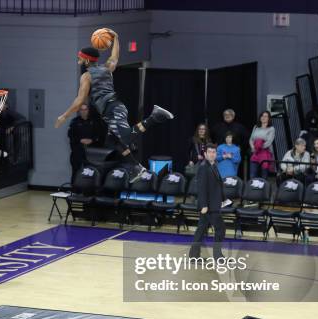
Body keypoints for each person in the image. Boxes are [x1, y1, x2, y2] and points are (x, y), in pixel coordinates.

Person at [55, 29, 173, 183]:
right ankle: (136, 167)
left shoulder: (87, 76)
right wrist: (116, 37)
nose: (78, 60)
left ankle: (155, 116)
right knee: (112, 142)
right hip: (113, 108)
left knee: (126, 137)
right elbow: (115, 56)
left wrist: (64, 115)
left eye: (80, 58)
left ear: (87, 60)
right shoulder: (107, 68)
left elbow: (80, 100)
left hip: (113, 108)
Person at [188, 144, 225, 260]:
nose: (212, 154)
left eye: (214, 152)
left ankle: (193, 254)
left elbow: (217, 185)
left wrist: (223, 200)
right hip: (208, 206)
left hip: (213, 204)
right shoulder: (204, 167)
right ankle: (217, 256)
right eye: (210, 152)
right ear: (205, 154)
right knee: (220, 229)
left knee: (201, 229)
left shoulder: (213, 165)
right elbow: (201, 187)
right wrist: (204, 205)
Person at [67, 104, 98, 183]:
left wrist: (92, 140)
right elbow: (71, 135)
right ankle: (75, 190)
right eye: (82, 110)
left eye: (85, 109)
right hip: (77, 151)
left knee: (90, 172)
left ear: (88, 111)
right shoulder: (75, 122)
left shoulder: (94, 122)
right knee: (76, 171)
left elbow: (98, 135)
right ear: (79, 111)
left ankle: (88, 191)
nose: (84, 112)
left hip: (91, 152)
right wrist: (80, 140)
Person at [249, 111, 275, 179]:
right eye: (262, 116)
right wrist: (252, 147)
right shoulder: (256, 127)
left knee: (264, 176)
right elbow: (251, 139)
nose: (263, 117)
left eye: (266, 116)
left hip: (265, 153)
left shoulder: (271, 129)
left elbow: (269, 142)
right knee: (252, 175)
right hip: (255, 153)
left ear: (269, 118)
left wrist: (258, 148)